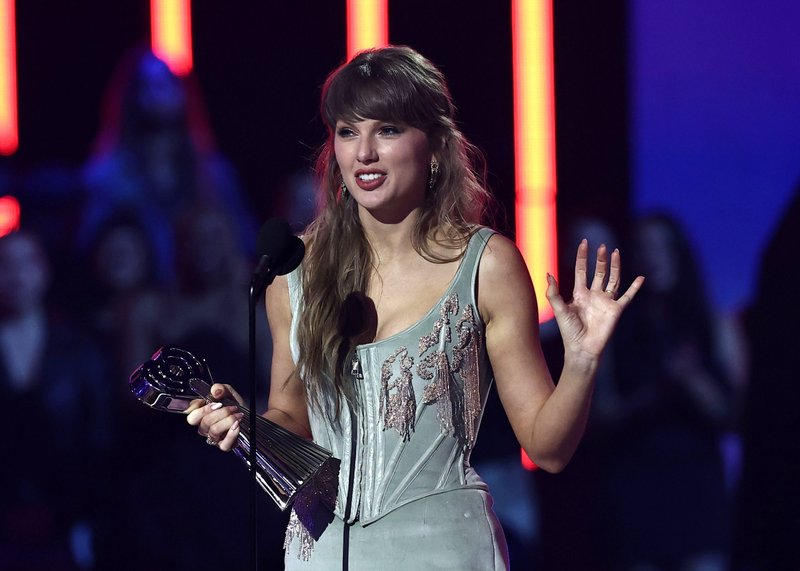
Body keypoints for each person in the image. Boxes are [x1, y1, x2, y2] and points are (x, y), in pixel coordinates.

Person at [185, 46, 644, 570]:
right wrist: (248, 427)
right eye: (348, 131)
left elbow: (548, 448)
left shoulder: (485, 264)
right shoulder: (295, 270)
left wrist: (581, 361)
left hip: (444, 548)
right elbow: (292, 415)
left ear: (436, 146)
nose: (364, 153)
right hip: (323, 549)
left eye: (387, 130)